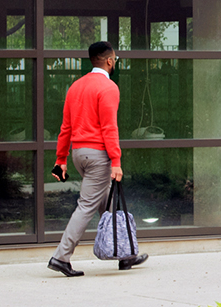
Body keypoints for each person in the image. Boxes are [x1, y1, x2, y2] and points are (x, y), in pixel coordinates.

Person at [47, 41, 147, 276]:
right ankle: (60, 257)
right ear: (110, 61)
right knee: (86, 205)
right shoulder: (108, 87)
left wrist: (61, 159)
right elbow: (109, 128)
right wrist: (116, 161)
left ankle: (125, 254)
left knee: (107, 204)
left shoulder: (76, 86)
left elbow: (66, 127)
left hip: (79, 154)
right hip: (98, 156)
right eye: (116, 60)